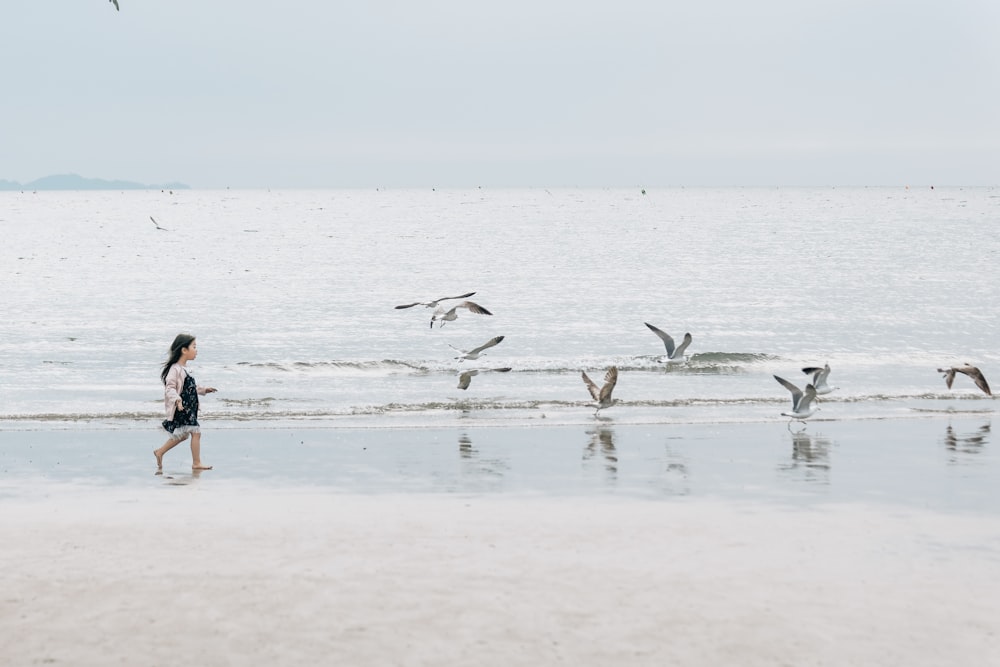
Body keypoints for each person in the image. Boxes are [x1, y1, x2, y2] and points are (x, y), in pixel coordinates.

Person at [153, 334, 217, 472]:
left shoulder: (186, 369)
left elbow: (191, 388)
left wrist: (204, 389)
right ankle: (196, 463)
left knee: (183, 435)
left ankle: (160, 452)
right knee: (196, 432)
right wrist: (177, 400)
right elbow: (169, 388)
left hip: (190, 408)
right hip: (182, 408)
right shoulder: (175, 369)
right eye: (194, 347)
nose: (196, 350)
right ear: (184, 350)